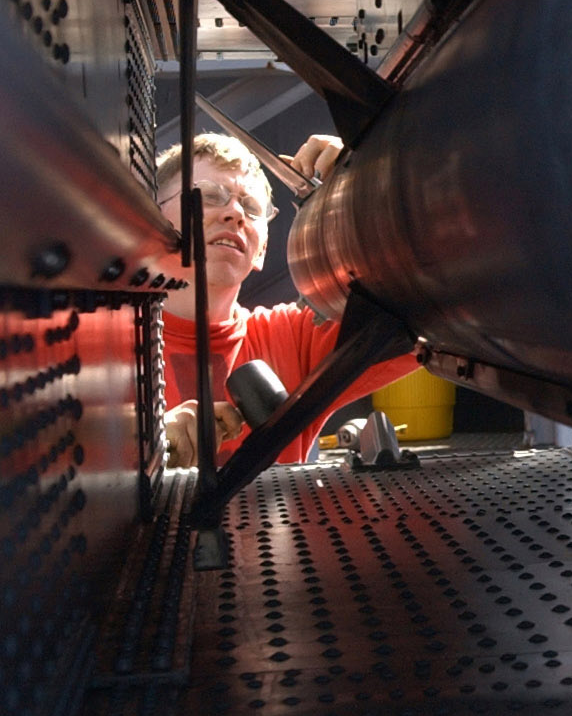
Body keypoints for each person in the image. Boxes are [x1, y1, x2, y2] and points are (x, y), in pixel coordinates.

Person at [155, 130, 417, 469]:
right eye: (208, 196)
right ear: (151, 222)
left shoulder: (297, 339)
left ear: (262, 249)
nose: (235, 213)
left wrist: (369, 185)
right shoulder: (92, 345)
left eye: (251, 208)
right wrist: (142, 444)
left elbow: (433, 302)